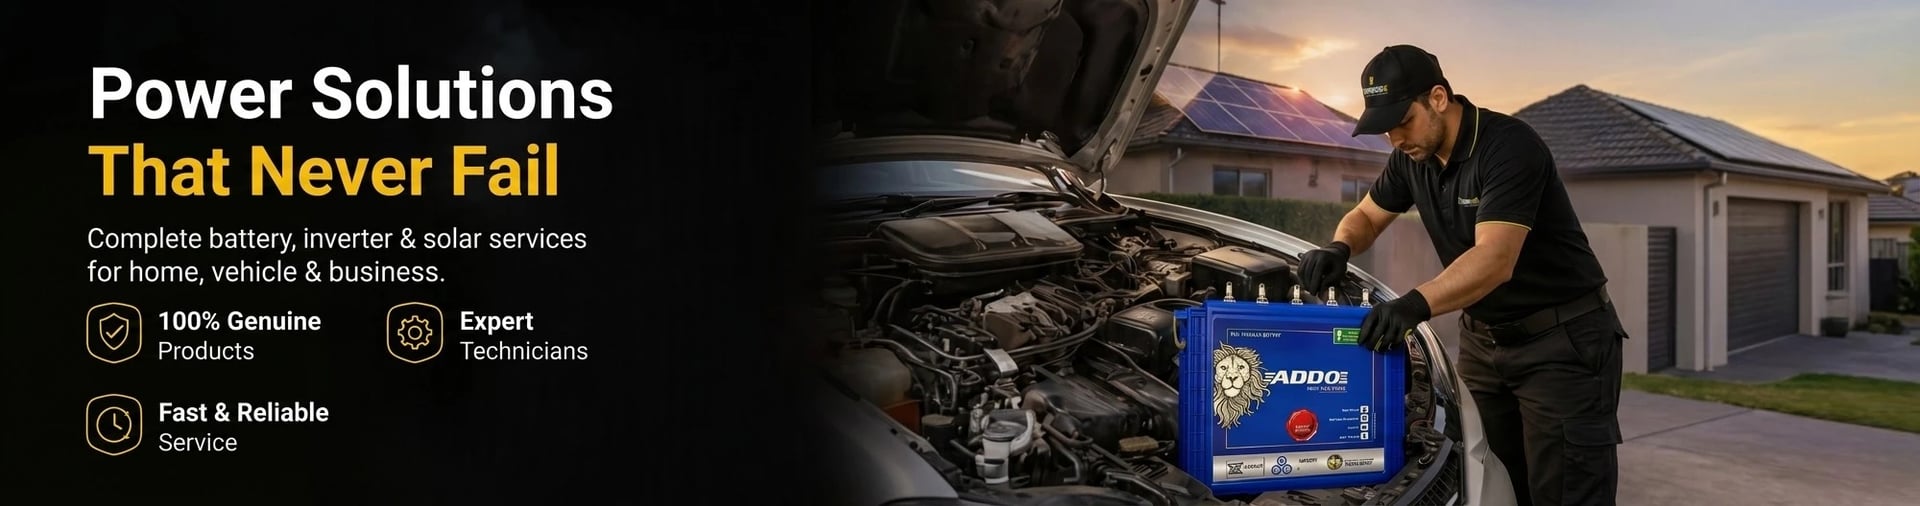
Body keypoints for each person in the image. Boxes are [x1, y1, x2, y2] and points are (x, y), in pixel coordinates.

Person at [1295, 44, 1626, 506]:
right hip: (1486, 344)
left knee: (1566, 492)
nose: (1394, 138)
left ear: (1437, 98)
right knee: (1492, 485)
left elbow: (1494, 258)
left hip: (1562, 343)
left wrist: (1413, 305)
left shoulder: (1509, 146)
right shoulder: (1412, 159)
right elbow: (1366, 217)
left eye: (1402, 121)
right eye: (1385, 128)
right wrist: (1339, 245)